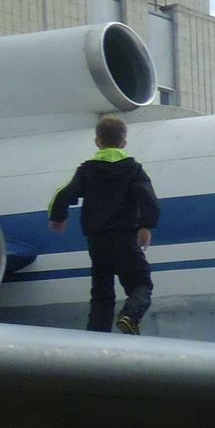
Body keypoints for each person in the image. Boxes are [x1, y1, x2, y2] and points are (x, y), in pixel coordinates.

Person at [48, 116, 160, 334]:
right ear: (124, 143)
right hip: (125, 237)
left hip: (97, 240)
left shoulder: (87, 170)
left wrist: (58, 217)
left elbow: (63, 194)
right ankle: (129, 316)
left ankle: (97, 336)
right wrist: (146, 227)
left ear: (97, 142)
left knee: (101, 293)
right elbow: (150, 201)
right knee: (141, 285)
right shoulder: (133, 169)